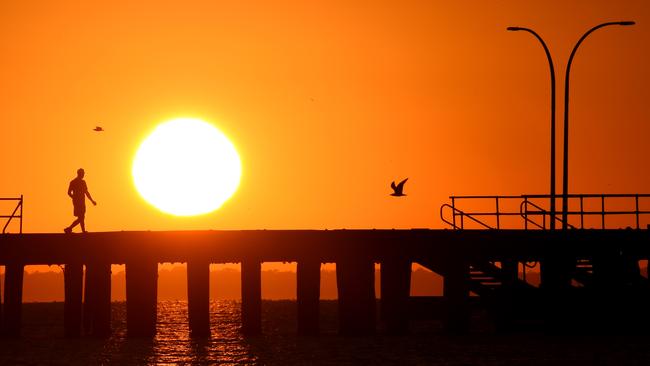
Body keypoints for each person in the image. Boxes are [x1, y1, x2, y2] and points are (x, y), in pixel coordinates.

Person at [64, 168, 97, 233]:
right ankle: (70, 228)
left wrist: (92, 200)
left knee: (81, 217)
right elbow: (69, 192)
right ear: (80, 174)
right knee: (81, 217)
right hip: (78, 202)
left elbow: (86, 192)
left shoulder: (80, 182)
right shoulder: (75, 182)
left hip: (81, 202)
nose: (83, 175)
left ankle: (81, 230)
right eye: (83, 173)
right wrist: (74, 197)